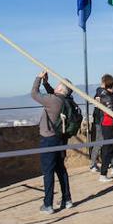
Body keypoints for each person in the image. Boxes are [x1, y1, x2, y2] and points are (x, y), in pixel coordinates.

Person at [31, 72, 74, 213]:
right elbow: (53, 94)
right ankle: (67, 200)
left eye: (57, 86)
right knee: (61, 169)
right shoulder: (66, 100)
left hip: (48, 140)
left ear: (61, 89)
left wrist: (38, 78)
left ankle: (48, 204)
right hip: (60, 139)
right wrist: (46, 83)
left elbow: (34, 94)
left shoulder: (53, 100)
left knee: (48, 172)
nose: (55, 87)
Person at [93, 74, 113, 182]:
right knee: (108, 149)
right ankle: (103, 174)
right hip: (109, 125)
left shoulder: (108, 95)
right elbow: (112, 112)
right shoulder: (106, 96)